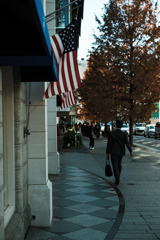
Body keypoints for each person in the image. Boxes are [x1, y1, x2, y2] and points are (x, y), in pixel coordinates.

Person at [106, 119, 133, 185]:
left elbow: (109, 143)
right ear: (121, 125)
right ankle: (118, 176)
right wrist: (130, 151)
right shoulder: (124, 134)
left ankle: (117, 178)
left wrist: (107, 152)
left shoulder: (112, 133)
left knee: (115, 166)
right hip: (121, 151)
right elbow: (127, 143)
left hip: (113, 151)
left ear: (116, 125)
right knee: (119, 165)